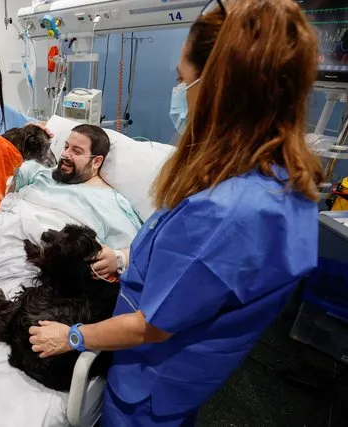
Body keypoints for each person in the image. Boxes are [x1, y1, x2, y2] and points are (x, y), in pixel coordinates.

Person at [28, 0, 324, 425]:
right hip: (188, 375)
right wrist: (125, 258)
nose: (180, 93)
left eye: (183, 80)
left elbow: (155, 323)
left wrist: (71, 337)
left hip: (149, 387)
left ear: (219, 88)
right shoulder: (279, 183)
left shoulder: (226, 211)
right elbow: (200, 273)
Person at [0, 124, 143, 308]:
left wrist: (118, 257)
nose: (65, 154)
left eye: (76, 151)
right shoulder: (42, 172)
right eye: (66, 146)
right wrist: (22, 135)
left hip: (34, 261)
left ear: (97, 161)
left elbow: (142, 250)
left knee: (3, 304)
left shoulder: (110, 202)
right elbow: (2, 181)